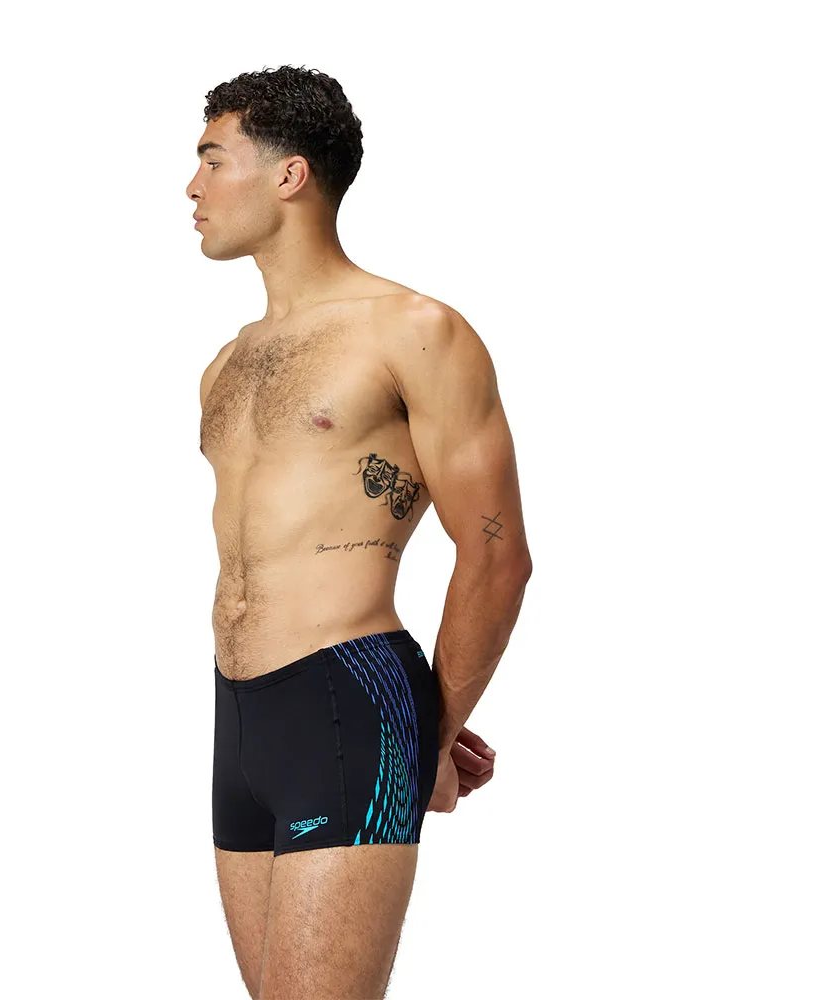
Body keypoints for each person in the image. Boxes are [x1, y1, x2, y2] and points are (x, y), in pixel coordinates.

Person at [188, 64, 532, 999]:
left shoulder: (415, 330)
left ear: (289, 175)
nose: (192, 187)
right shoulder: (227, 364)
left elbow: (497, 555)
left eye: (213, 160)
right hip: (239, 716)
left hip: (347, 693)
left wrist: (430, 735)